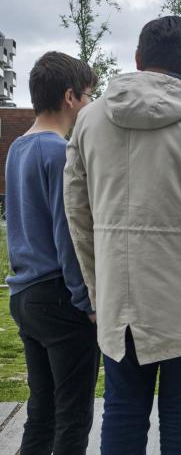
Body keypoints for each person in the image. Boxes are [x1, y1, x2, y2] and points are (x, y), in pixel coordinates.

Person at [63, 16, 181, 455]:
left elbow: (77, 216)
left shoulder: (89, 120)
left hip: (119, 307)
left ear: (138, 59)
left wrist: (97, 292)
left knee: (123, 413)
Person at [5, 51, 99, 454]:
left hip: (24, 295)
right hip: (60, 298)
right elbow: (70, 235)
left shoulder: (18, 148)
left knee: (41, 412)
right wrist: (87, 300)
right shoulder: (59, 152)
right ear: (70, 97)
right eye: (90, 95)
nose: (91, 104)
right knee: (73, 417)